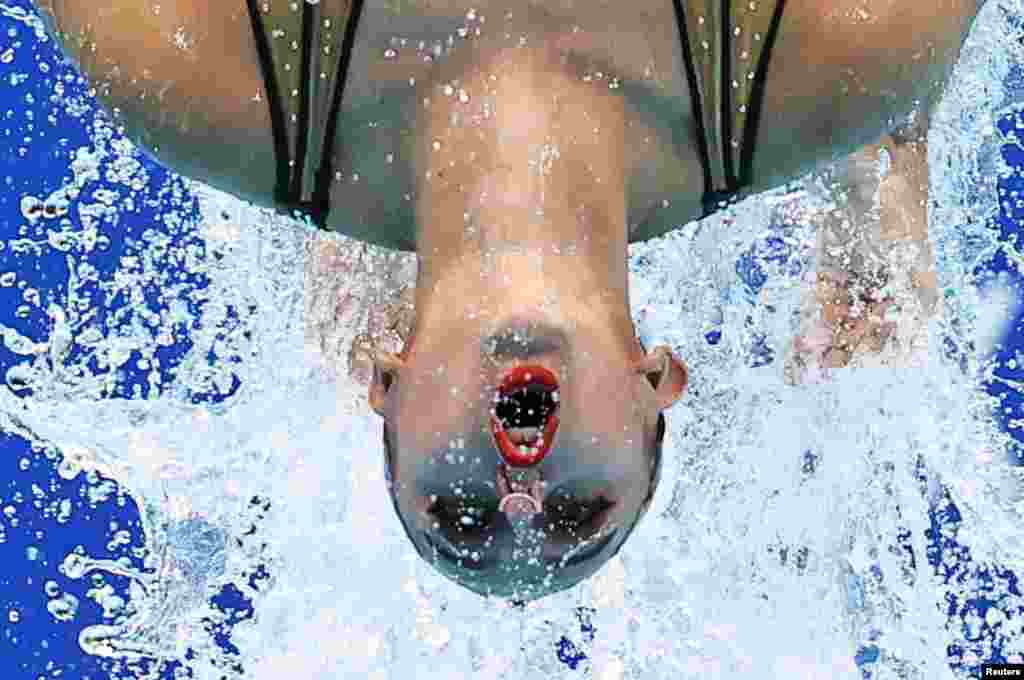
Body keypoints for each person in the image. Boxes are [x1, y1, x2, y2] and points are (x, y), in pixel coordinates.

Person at [33, 0, 982, 601]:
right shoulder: (836, 61)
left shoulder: (211, 88)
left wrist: (333, 209)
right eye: (579, 513)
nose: (518, 491)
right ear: (659, 380)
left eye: (459, 510)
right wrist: (883, 148)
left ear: (385, 384)